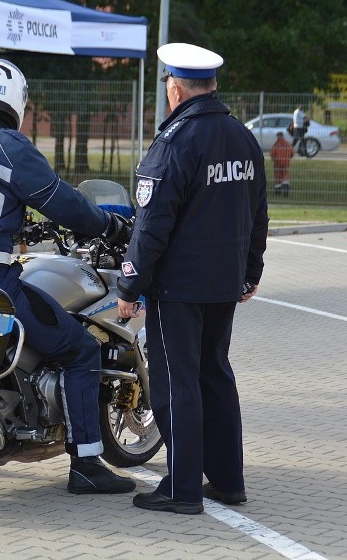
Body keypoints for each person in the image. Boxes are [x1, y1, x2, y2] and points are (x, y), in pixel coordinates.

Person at [0, 58, 136, 495]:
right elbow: (63, 202)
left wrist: (15, 224)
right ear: (15, 102)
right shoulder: (9, 146)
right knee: (80, 350)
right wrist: (109, 225)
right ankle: (86, 465)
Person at [116, 43, 268, 515]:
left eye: (167, 86)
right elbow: (259, 213)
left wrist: (130, 286)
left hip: (178, 288)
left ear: (175, 89)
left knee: (176, 383)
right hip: (224, 283)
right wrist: (250, 271)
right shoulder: (243, 137)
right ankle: (228, 479)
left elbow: (151, 224)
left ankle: (182, 489)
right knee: (215, 376)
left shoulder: (175, 142)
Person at [271, 131, 294, 197]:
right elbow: (292, 153)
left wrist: (274, 159)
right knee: (285, 175)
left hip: (277, 163)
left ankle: (277, 190)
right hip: (286, 162)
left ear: (277, 136)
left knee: (277, 177)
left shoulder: (276, 144)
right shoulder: (288, 144)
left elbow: (272, 154)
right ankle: (286, 187)